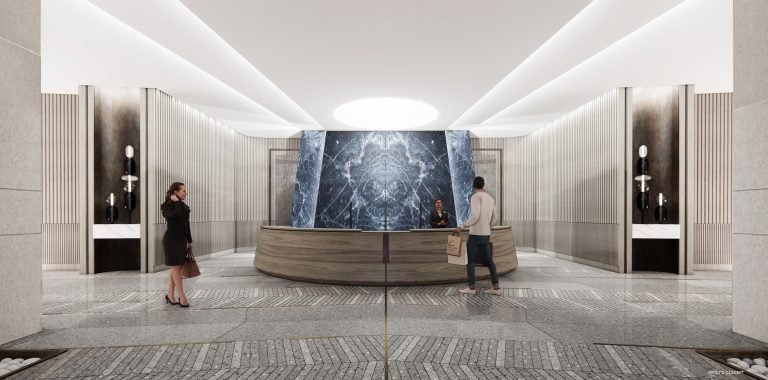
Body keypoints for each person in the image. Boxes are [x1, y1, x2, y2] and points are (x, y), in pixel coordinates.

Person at [453, 176, 502, 296]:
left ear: (474, 186)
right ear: (483, 185)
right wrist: (488, 227)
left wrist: (462, 226)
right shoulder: (490, 198)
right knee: (489, 261)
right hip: (486, 235)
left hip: (475, 234)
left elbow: (475, 215)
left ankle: (471, 287)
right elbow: (495, 217)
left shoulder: (475, 197)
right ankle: (496, 288)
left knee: (470, 261)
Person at [162, 182, 192, 308]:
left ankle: (170, 295)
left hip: (182, 240)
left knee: (176, 268)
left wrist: (190, 241)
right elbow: (175, 215)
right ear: (176, 192)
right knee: (176, 268)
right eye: (183, 191)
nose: (186, 193)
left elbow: (186, 224)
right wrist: (177, 203)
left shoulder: (183, 206)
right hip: (171, 241)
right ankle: (182, 297)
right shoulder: (167, 206)